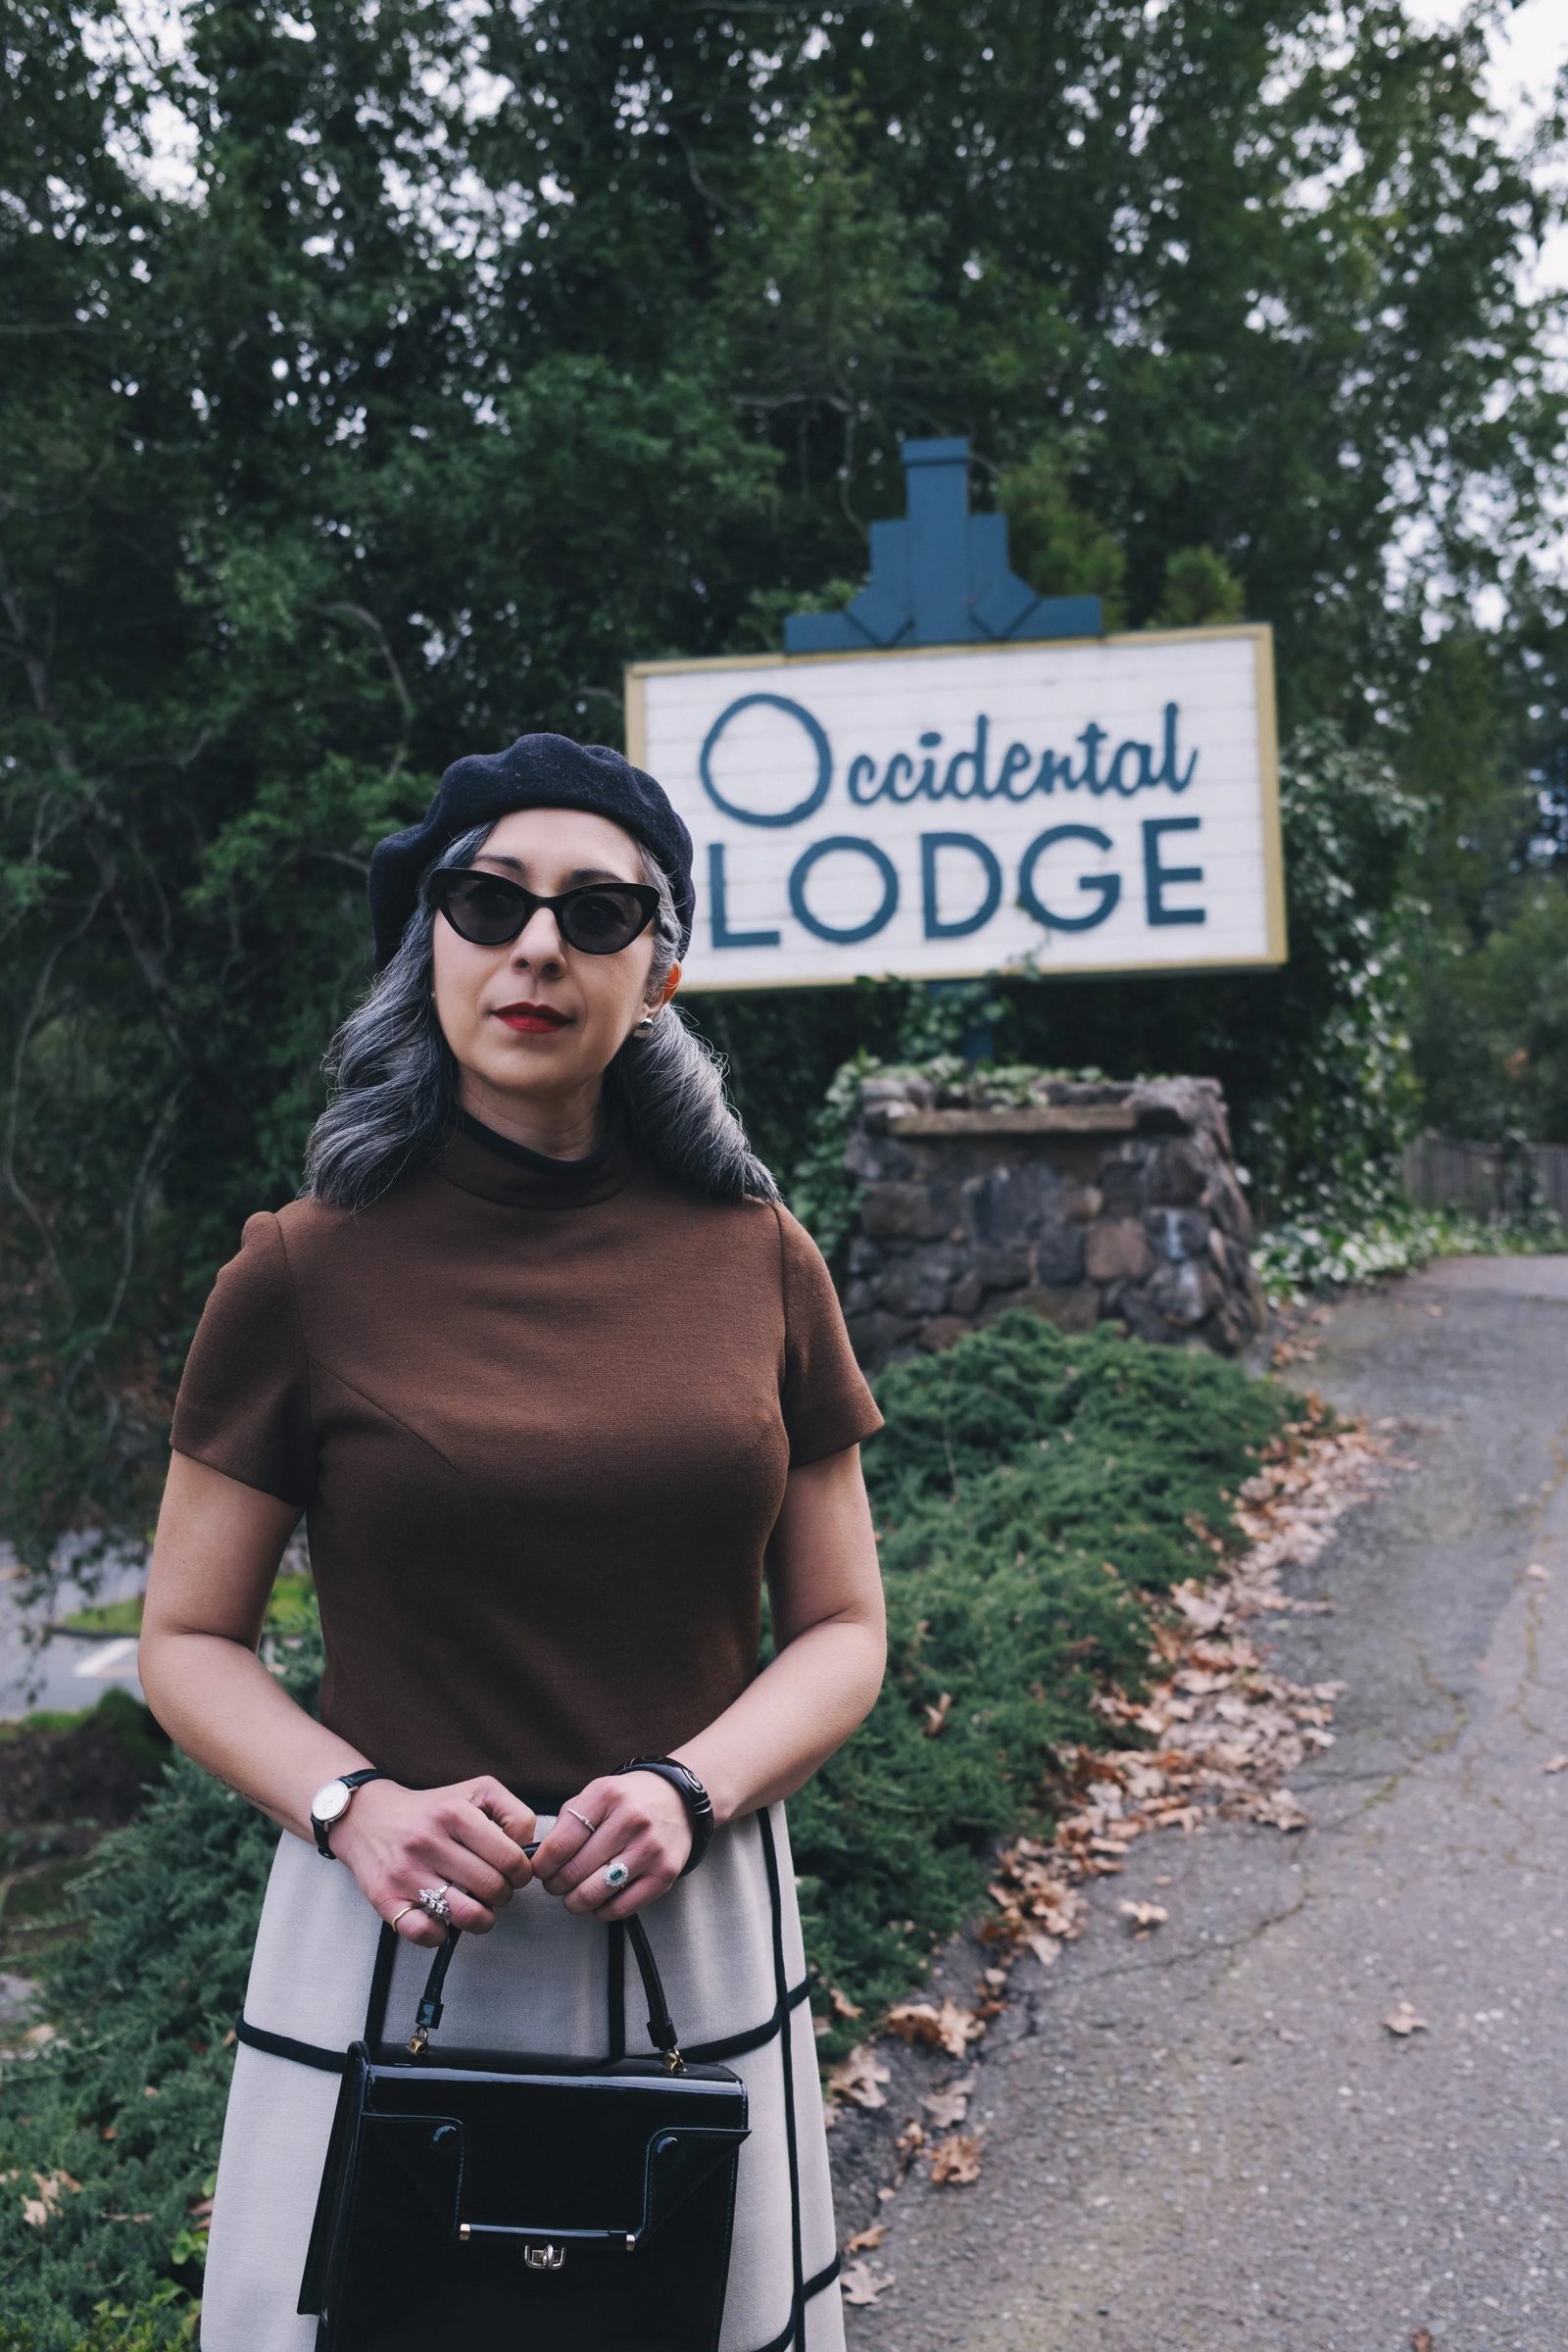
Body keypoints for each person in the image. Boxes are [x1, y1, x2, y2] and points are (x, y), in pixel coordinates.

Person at [138, 733, 887, 2352]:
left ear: (661, 972)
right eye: (487, 902)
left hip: (688, 1916)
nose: (537, 945)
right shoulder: (299, 1271)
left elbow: (842, 1627)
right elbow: (183, 1642)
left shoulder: (762, 1259)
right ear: (433, 949)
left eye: (597, 912)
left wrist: (697, 1787)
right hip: (390, 1930)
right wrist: (353, 1809)